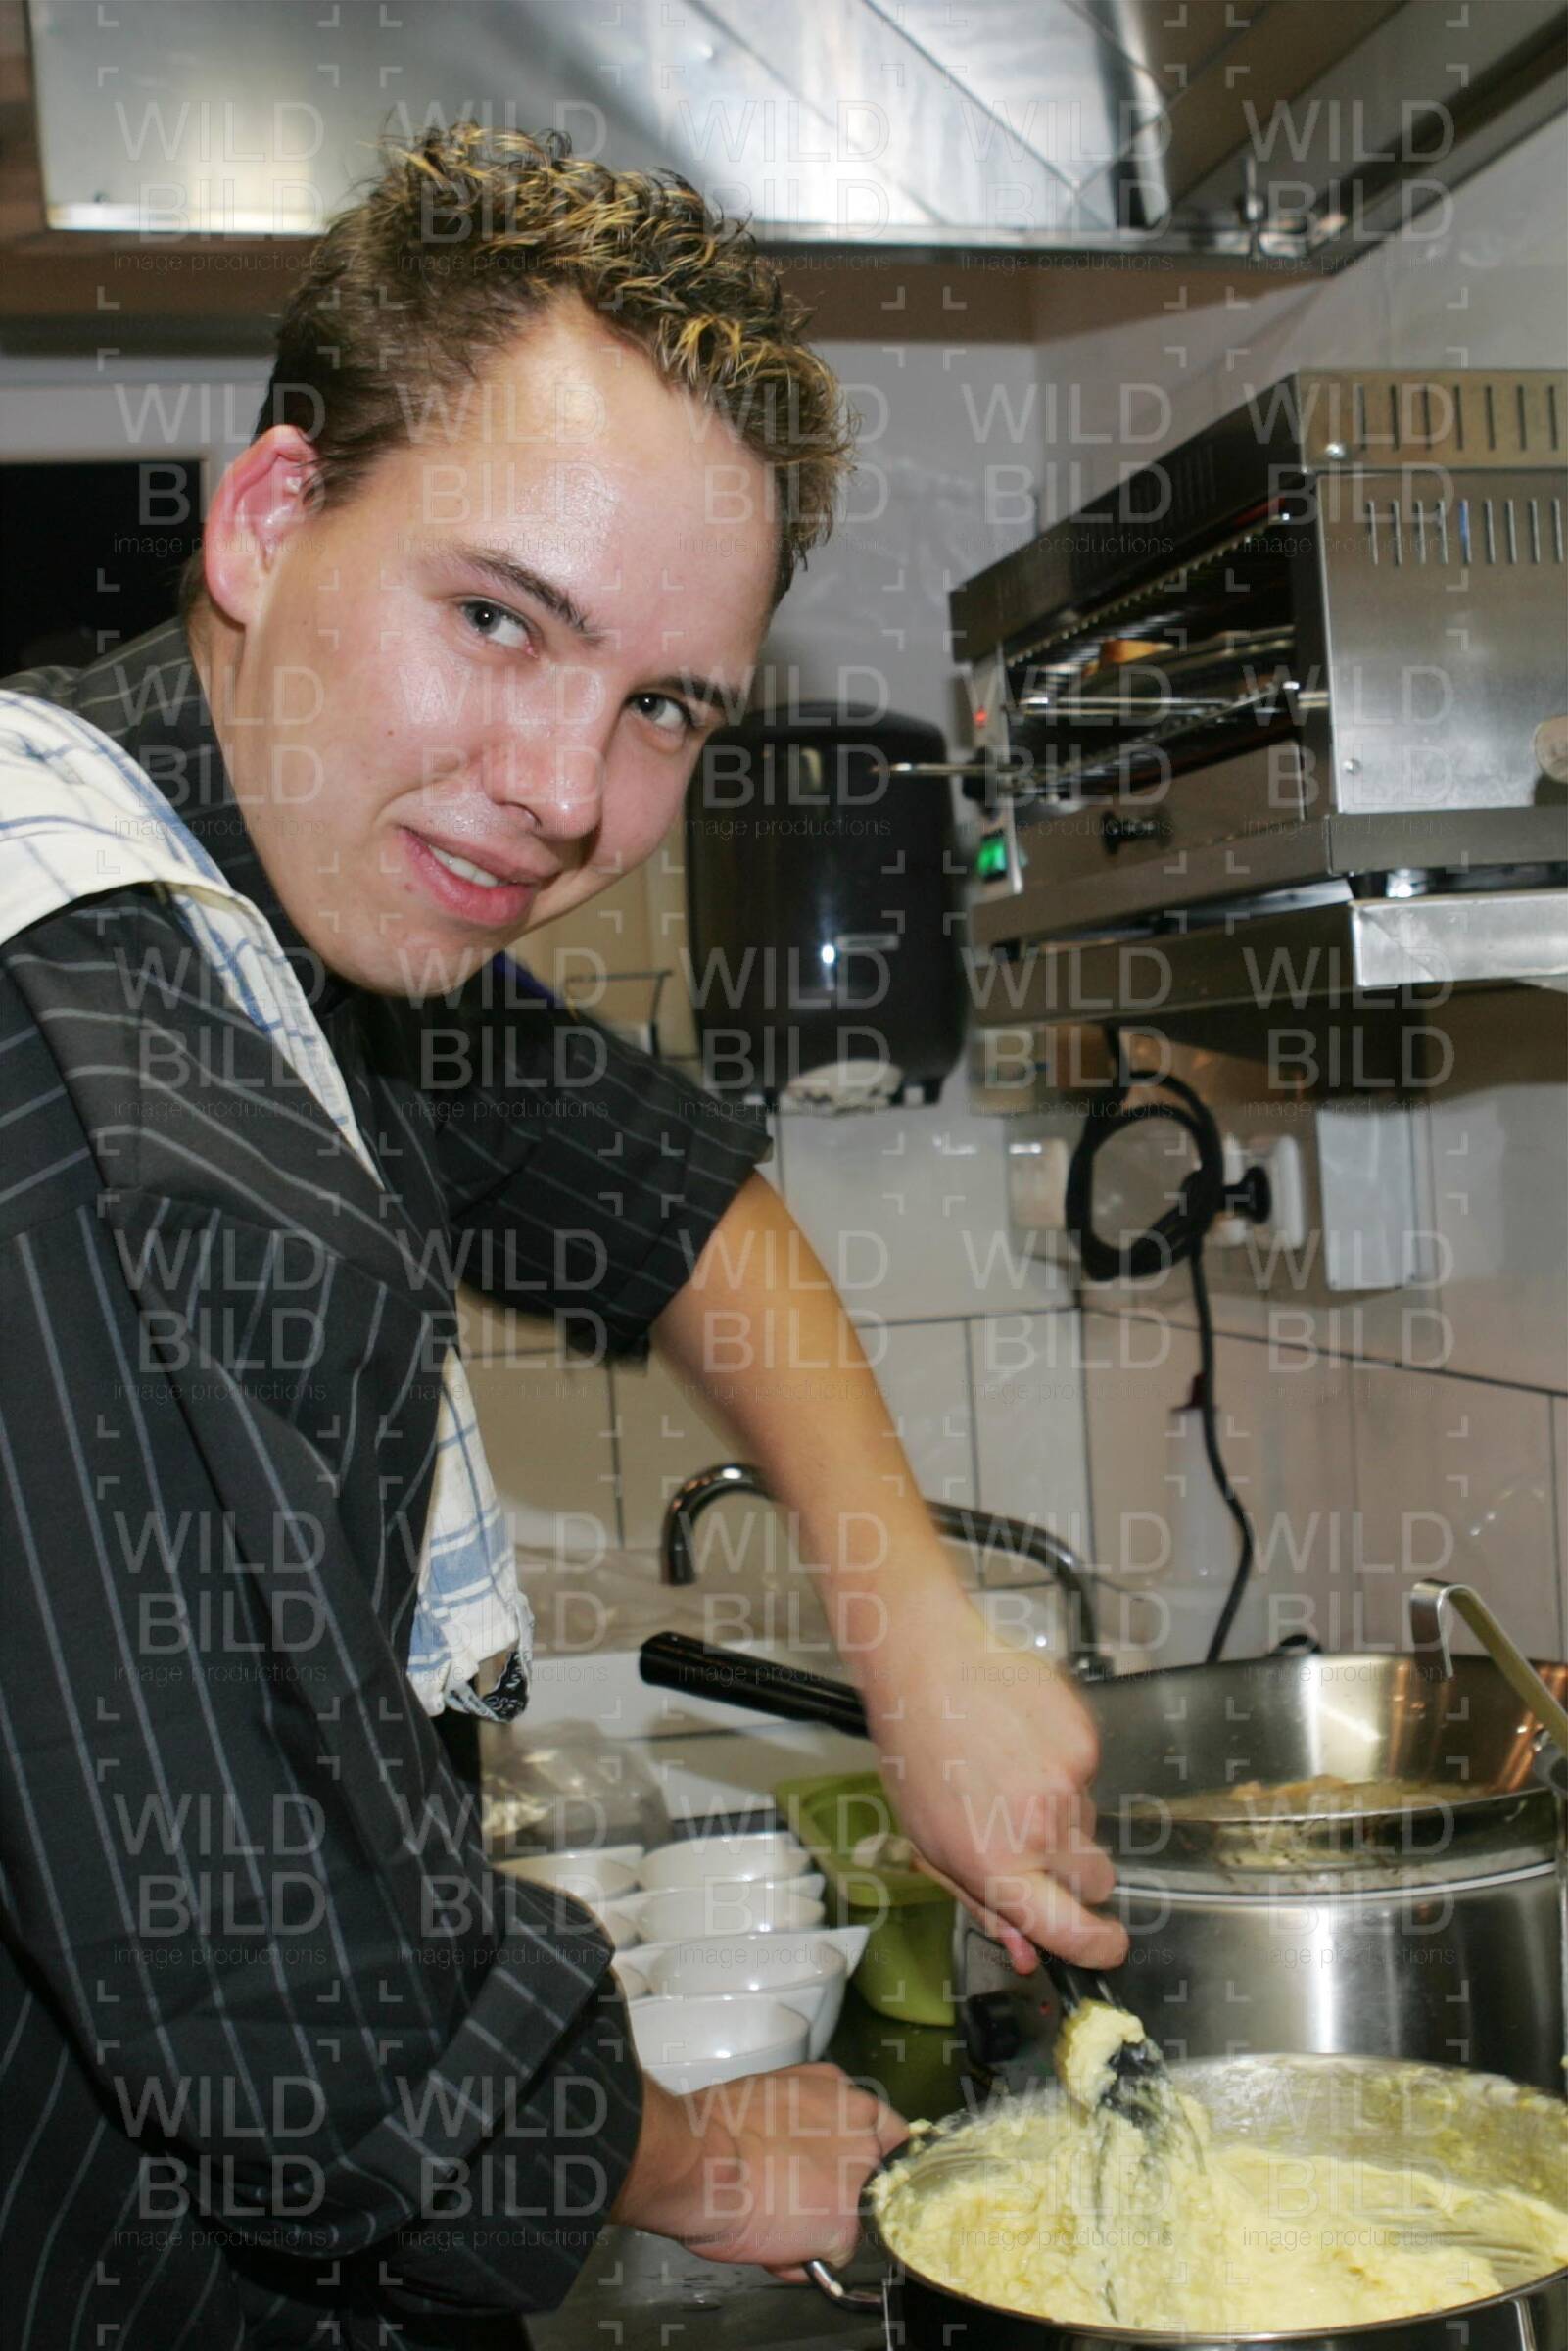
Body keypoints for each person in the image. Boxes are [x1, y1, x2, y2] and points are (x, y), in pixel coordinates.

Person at [0, 125, 1122, 2346]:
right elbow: (299, 2044)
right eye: (499, 620)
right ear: (267, 518)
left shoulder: (269, 863)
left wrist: (916, 1632)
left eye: (662, 707)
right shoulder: (110, 1088)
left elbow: (670, 1195)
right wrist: (703, 2161)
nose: (563, 795)